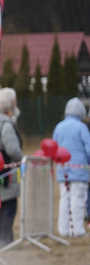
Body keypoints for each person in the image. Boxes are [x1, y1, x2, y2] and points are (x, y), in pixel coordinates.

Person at [0, 88, 23, 247]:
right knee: (9, 206)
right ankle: (5, 240)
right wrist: (23, 159)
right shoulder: (6, 125)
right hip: (6, 174)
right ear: (11, 104)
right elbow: (13, 150)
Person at [52, 98, 90, 238]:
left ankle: (64, 230)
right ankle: (78, 230)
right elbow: (89, 148)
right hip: (80, 171)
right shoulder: (81, 127)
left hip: (63, 170)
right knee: (78, 199)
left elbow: (54, 147)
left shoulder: (59, 126)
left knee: (64, 199)